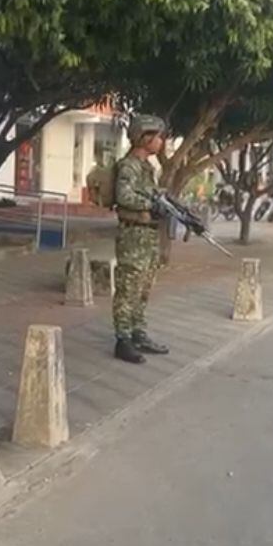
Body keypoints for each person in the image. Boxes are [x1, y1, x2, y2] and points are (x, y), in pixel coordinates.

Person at [111, 114, 170, 364]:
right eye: (158, 136)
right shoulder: (129, 165)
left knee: (144, 287)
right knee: (128, 288)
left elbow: (153, 194)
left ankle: (138, 332)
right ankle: (122, 339)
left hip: (147, 236)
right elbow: (123, 196)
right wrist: (151, 205)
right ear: (144, 137)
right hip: (133, 235)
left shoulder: (147, 168)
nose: (161, 141)